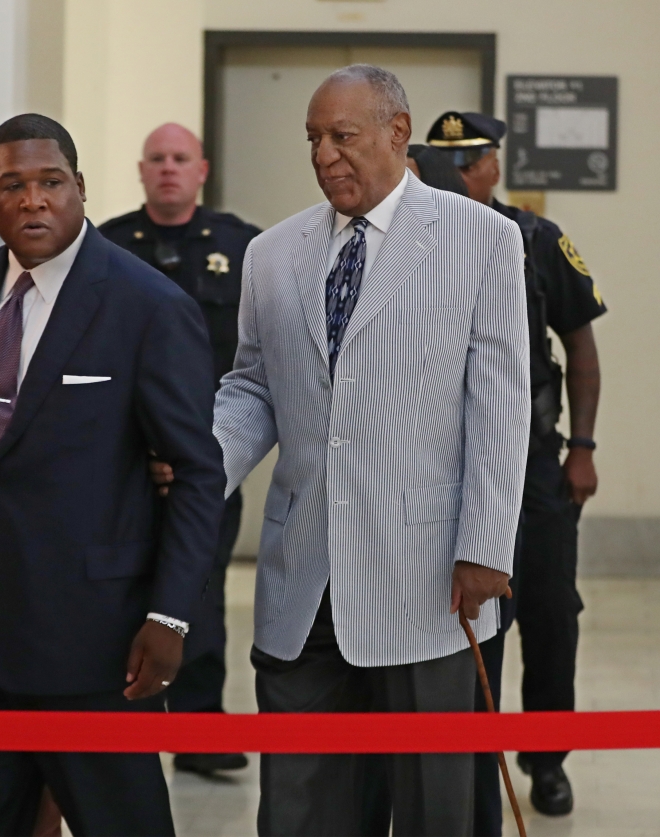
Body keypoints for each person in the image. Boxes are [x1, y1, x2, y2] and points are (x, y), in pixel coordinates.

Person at [157, 64, 530, 835]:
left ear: (400, 134)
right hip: (304, 579)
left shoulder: (482, 240)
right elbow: (254, 387)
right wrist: (200, 470)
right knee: (300, 809)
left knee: (435, 809)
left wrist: (486, 546)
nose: (325, 154)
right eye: (313, 139)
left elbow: (500, 405)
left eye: (343, 135)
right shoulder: (273, 252)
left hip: (428, 581)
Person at [0, 113, 226, 837]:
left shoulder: (148, 304)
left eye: (50, 182)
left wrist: (172, 614)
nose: (33, 200)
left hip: (95, 645)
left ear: (79, 188)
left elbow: (199, 475)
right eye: (13, 185)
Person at [428, 110, 607, 826]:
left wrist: (583, 447)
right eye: (445, 162)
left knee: (550, 611)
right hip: (449, 463)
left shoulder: (537, 239)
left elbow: (581, 348)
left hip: (535, 463)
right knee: (473, 619)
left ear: (494, 165)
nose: (460, 173)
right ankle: (474, 756)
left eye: (470, 160)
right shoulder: (424, 240)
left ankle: (547, 756)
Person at [100, 122, 260, 775]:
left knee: (200, 589)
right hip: (121, 462)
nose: (168, 169)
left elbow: (255, 362)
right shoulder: (106, 246)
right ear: (142, 171)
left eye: (180, 159)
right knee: (118, 588)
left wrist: (203, 450)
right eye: (157, 159)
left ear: (202, 170)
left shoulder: (242, 247)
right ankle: (122, 725)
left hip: (206, 460)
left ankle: (198, 726)